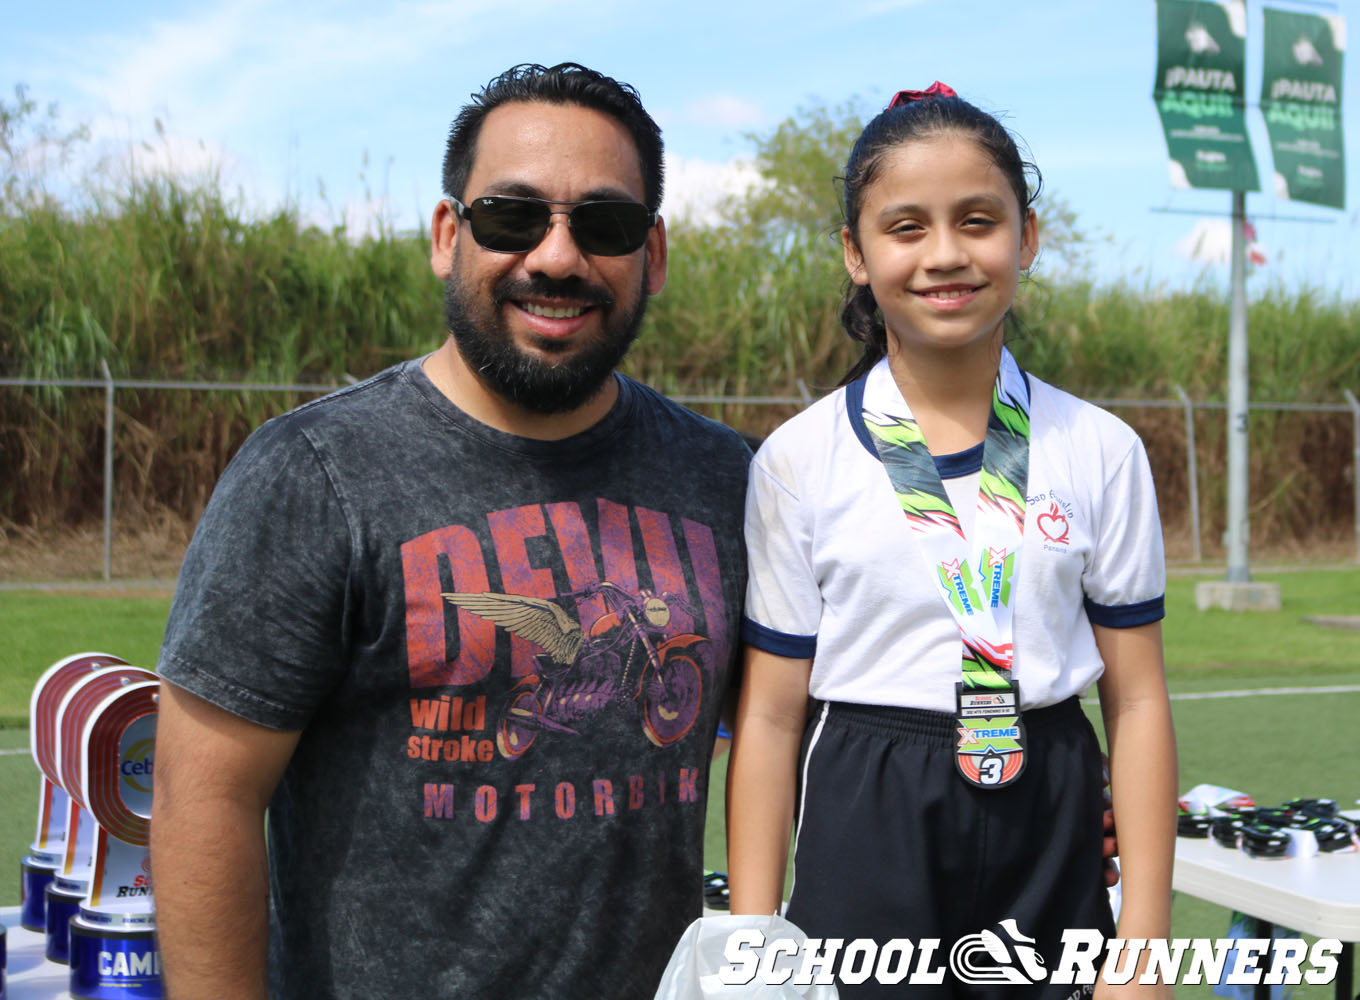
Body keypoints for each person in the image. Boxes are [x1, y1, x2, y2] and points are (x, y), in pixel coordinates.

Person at [149, 63, 751, 1000]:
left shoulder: (728, 480)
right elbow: (206, 802)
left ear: (654, 255)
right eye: (512, 218)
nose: (556, 258)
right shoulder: (314, 473)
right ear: (447, 236)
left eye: (605, 224)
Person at [726, 83, 1177, 998]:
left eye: (977, 221)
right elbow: (770, 720)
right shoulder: (798, 460)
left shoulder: (1100, 449)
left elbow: (1136, 702)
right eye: (905, 227)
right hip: (868, 797)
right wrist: (754, 942)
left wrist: (1144, 950)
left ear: (1028, 237)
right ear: (856, 253)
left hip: (1051, 802)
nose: (945, 255)